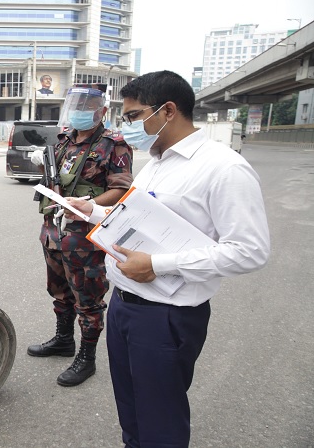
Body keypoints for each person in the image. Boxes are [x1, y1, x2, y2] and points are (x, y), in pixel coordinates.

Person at [65, 71, 270, 447]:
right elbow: (138, 220)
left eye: (132, 116)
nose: (127, 127)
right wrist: (91, 210)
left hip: (166, 315)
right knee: (131, 410)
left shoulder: (223, 168)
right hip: (124, 306)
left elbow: (250, 250)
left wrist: (158, 266)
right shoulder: (158, 161)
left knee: (160, 417)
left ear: (168, 110)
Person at [28, 86, 133, 386]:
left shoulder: (115, 144)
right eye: (76, 106)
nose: (79, 112)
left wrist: (91, 205)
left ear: (101, 112)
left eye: (87, 107)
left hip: (85, 236)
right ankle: (63, 340)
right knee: (59, 291)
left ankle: (87, 357)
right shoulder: (64, 140)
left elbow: (122, 189)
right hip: (53, 230)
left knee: (87, 298)